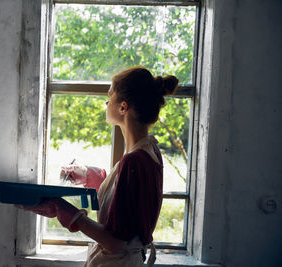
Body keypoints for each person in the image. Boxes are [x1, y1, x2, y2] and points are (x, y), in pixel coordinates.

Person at [15, 66, 179, 266]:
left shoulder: (133, 161)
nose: (107, 102)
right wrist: (94, 177)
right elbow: (130, 203)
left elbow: (115, 243)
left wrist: (65, 211)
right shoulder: (150, 151)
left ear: (123, 107)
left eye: (110, 95)